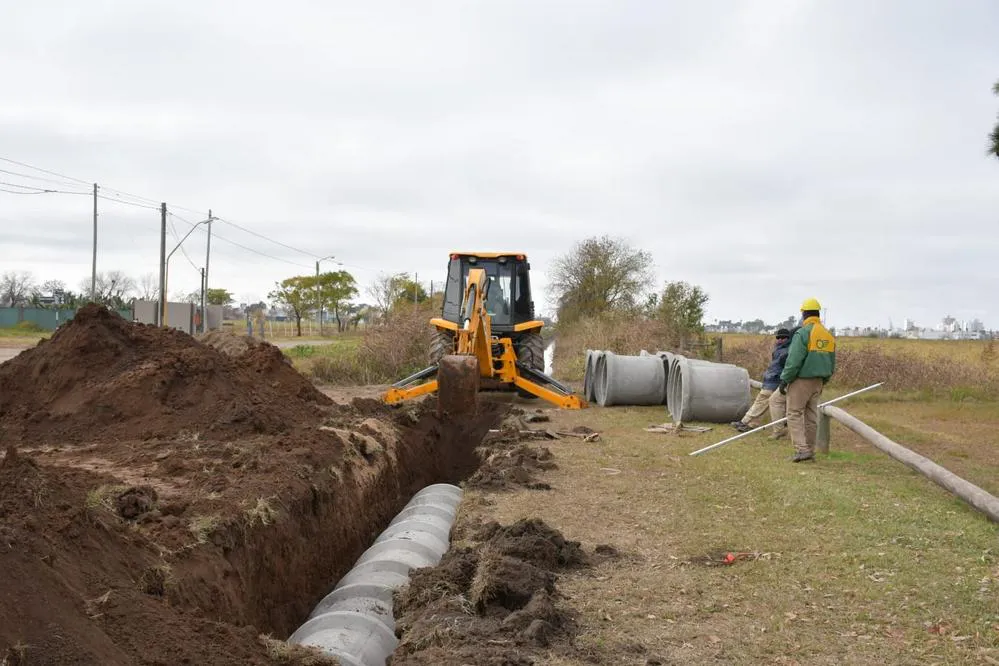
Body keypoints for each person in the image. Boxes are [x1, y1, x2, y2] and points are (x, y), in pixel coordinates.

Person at [779, 298, 836, 462]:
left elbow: (794, 360)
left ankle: (801, 450)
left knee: (794, 413)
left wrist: (785, 379)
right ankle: (810, 450)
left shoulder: (803, 333)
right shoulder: (827, 335)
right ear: (818, 313)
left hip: (801, 380)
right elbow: (832, 362)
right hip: (819, 381)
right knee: (811, 416)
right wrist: (824, 380)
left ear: (804, 313)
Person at [730, 328, 792, 437]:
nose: (780, 340)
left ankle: (745, 422)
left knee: (762, 401)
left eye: (783, 338)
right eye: (778, 337)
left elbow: (784, 369)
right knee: (764, 403)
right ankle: (751, 423)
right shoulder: (779, 349)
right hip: (771, 380)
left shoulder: (785, 352)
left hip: (775, 381)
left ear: (788, 338)